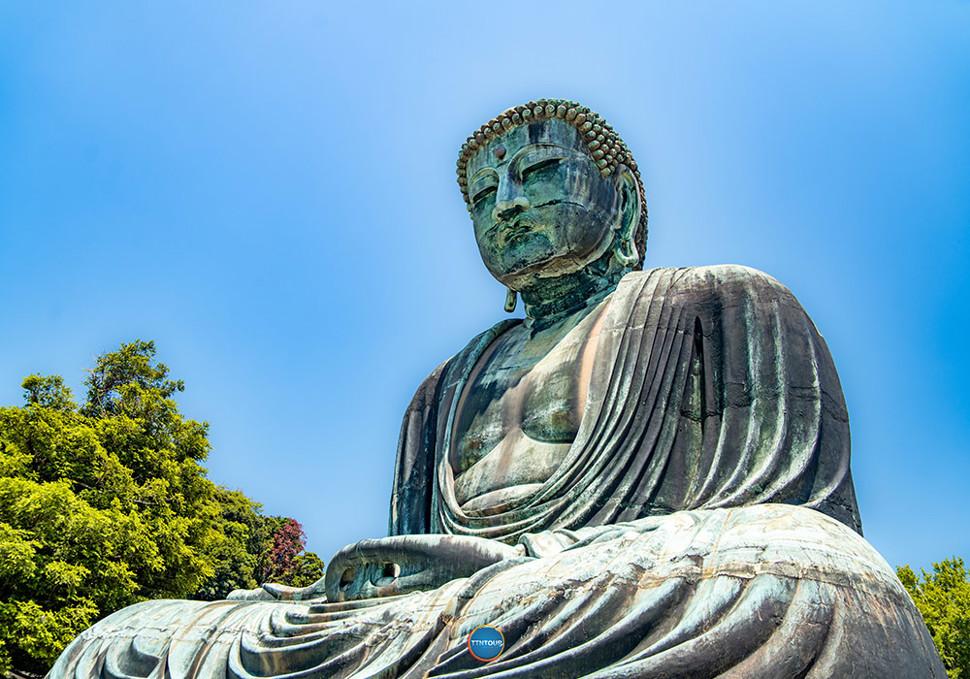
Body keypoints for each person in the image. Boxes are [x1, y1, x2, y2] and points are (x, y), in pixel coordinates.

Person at [49, 99, 945, 678]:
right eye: (483, 194)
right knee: (117, 638)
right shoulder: (440, 388)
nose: (507, 202)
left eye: (540, 172)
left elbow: (798, 520)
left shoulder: (723, 301)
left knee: (814, 582)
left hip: (593, 590)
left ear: (624, 202)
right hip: (455, 619)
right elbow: (403, 571)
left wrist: (525, 561)